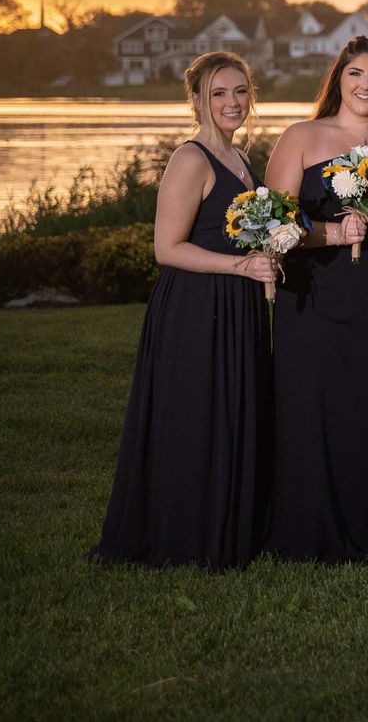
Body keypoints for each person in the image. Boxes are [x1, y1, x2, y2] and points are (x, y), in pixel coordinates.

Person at [88, 51, 274, 568]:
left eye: (240, 91)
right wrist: (240, 268)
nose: (232, 102)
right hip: (196, 306)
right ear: (196, 99)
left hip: (236, 305)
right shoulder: (191, 159)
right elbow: (166, 248)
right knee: (195, 418)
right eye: (219, 93)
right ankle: (184, 538)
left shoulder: (240, 159)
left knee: (230, 413)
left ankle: (230, 526)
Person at [264, 36, 368, 562]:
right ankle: (303, 533)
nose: (365, 85)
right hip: (310, 297)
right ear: (338, 79)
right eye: (355, 74)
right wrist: (330, 232)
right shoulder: (302, 137)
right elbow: (271, 227)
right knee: (308, 410)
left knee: (367, 414)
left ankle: (364, 534)